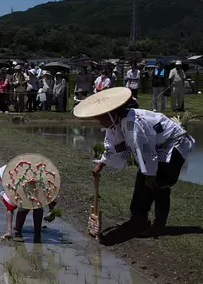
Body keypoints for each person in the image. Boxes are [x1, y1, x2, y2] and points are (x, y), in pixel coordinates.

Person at [79, 87, 195, 237]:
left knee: (160, 183)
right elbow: (113, 146)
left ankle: (158, 225)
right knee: (142, 181)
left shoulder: (132, 124)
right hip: (156, 147)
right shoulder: (116, 124)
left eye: (101, 118)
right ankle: (138, 219)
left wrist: (150, 175)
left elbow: (145, 151)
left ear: (111, 113)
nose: (99, 122)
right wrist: (101, 164)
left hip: (173, 144)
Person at [0, 166, 57, 242]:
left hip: (36, 184)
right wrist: (8, 231)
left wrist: (52, 212)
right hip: (20, 186)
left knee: (38, 208)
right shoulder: (14, 183)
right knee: (23, 208)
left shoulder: (44, 182)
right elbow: (10, 208)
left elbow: (50, 196)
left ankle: (37, 233)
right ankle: (18, 231)